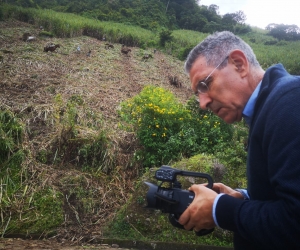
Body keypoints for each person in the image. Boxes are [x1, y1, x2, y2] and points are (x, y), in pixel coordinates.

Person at [178, 31, 300, 249]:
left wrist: (220, 209)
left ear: (239, 64)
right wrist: (243, 199)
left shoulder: (290, 102)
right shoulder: (270, 108)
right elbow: (281, 199)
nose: (202, 103)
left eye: (205, 84)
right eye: (198, 93)